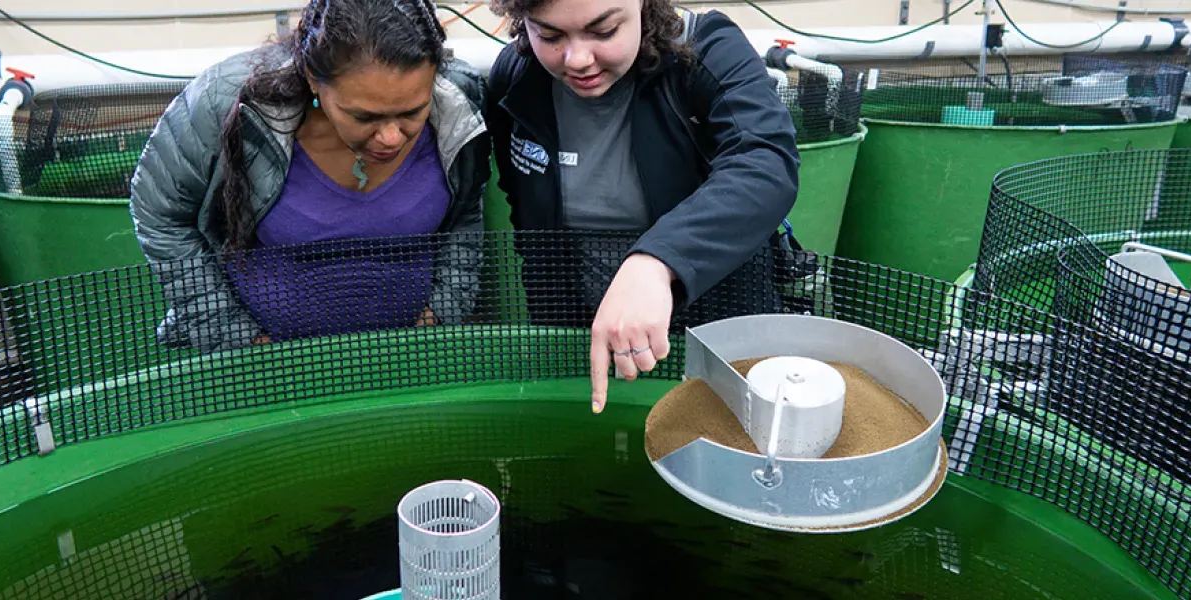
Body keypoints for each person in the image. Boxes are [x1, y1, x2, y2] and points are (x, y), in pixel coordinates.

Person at [483, 0, 801, 412]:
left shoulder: (707, 51)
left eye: (604, 31)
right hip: (577, 334)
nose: (578, 59)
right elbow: (523, 204)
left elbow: (766, 163)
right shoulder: (514, 79)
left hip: (716, 327)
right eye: (550, 35)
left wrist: (657, 260)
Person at [130, 0, 491, 353]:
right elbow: (160, 216)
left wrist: (442, 313)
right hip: (262, 373)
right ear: (313, 80)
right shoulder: (227, 100)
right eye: (365, 117)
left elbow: (465, 215)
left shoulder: (458, 101)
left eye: (413, 111)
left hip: (409, 362)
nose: (392, 136)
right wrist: (237, 339)